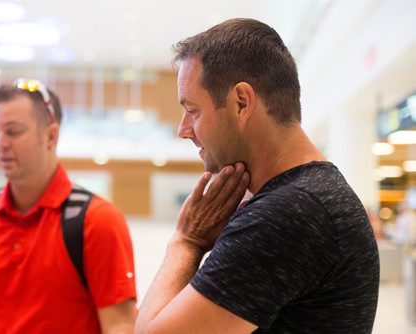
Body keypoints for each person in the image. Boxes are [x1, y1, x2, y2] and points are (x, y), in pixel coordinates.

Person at [136, 18, 379, 333]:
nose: (184, 131)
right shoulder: (308, 195)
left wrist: (186, 242)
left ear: (241, 103)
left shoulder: (288, 213)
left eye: (193, 111)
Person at [0, 79, 137, 333]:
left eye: (13, 131)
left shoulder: (96, 221)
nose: (1, 143)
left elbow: (119, 325)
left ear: (51, 135)